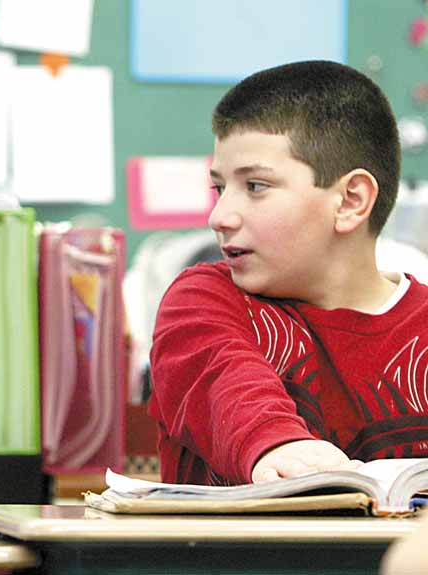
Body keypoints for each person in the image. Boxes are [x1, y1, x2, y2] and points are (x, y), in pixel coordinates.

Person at [147, 60, 428, 486]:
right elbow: (222, 377)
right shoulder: (202, 299)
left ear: (350, 200)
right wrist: (276, 445)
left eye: (255, 187)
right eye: (220, 188)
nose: (219, 216)